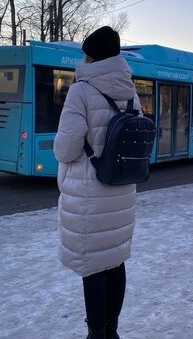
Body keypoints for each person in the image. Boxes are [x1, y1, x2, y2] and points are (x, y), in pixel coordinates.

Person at [54, 26, 141, 339]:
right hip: (121, 190)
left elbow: (67, 148)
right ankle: (112, 330)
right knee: (114, 262)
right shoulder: (130, 92)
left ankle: (96, 333)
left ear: (91, 56)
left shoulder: (81, 90)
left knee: (92, 266)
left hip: (89, 193)